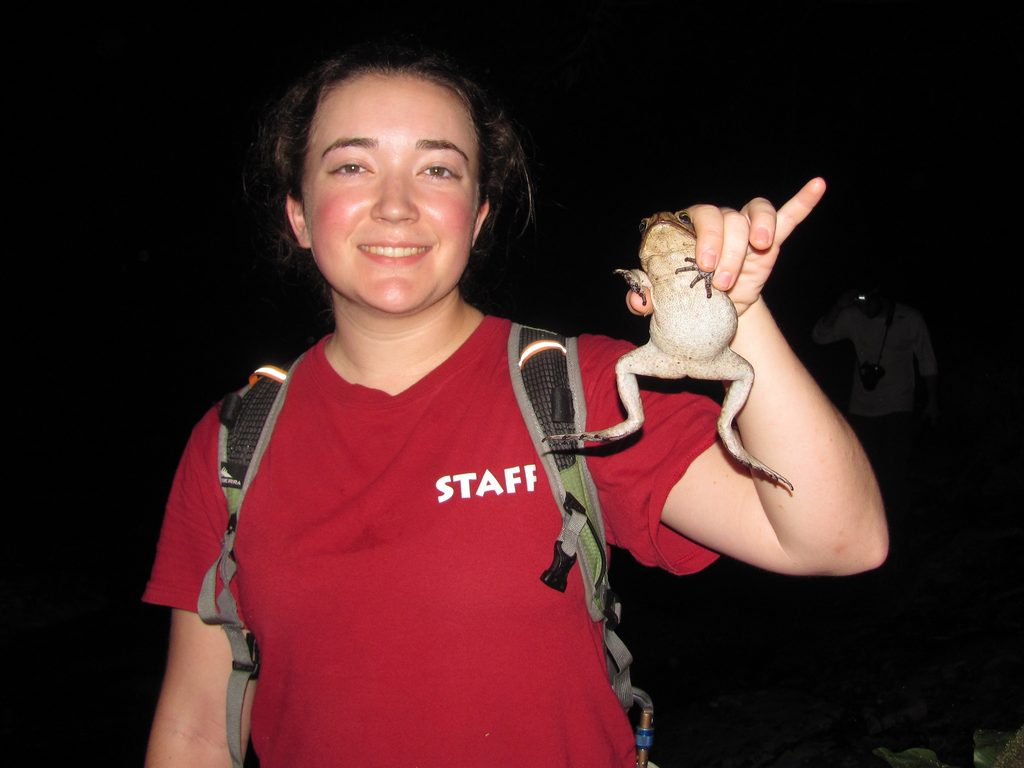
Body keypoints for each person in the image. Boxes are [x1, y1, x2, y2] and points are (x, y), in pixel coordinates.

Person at [143, 41, 887, 767]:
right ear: (301, 215)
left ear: (478, 214)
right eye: (352, 166)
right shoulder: (233, 442)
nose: (396, 206)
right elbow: (197, 731)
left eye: (437, 168)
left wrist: (737, 305)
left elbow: (841, 539)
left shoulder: (570, 388)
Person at [812, 285, 938, 570]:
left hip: (899, 407)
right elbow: (819, 336)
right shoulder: (852, 315)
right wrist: (838, 306)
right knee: (865, 472)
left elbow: (927, 361)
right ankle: (865, 535)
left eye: (869, 298)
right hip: (862, 409)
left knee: (894, 471)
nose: (864, 304)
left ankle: (898, 537)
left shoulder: (909, 318)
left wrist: (932, 401)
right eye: (859, 297)